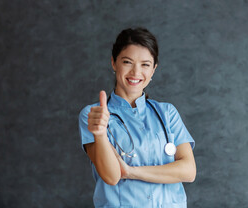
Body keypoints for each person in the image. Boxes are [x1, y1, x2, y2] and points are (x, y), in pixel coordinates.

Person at [79, 27, 196, 207]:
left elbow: (188, 171)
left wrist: (131, 172)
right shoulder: (94, 115)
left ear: (154, 69)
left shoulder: (167, 113)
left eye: (145, 64)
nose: (135, 72)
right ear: (113, 62)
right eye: (127, 62)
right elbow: (111, 176)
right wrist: (101, 134)